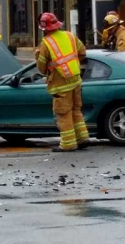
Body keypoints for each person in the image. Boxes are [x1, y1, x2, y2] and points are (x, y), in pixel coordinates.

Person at [35, 12, 89, 152]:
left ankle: (68, 143)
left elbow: (41, 68)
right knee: (76, 110)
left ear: (45, 28)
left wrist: (39, 56)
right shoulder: (70, 36)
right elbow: (82, 52)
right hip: (76, 80)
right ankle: (82, 137)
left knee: (63, 114)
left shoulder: (46, 43)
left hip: (60, 84)